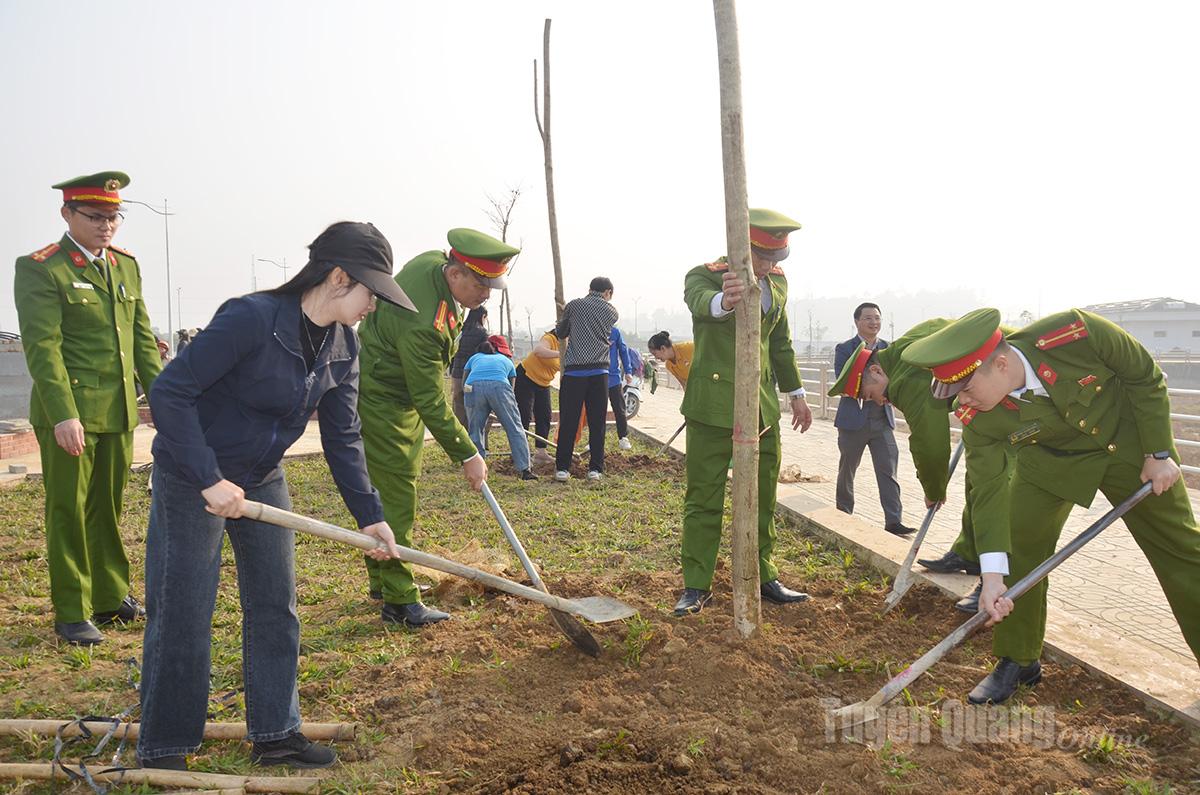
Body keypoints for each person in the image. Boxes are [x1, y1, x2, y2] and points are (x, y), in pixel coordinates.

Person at [137, 221, 408, 771]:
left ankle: (276, 733)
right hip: (194, 475)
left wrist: (370, 516)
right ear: (338, 277)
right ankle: (164, 746)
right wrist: (208, 477)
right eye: (370, 293)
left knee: (275, 605)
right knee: (185, 607)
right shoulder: (252, 318)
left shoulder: (343, 346)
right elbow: (170, 391)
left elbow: (344, 436)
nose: (372, 307)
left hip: (261, 477)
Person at [902, 308, 1200, 704]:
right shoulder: (980, 418)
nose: (962, 401)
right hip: (1051, 465)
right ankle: (1018, 659)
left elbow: (1143, 375)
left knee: (1180, 549)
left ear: (1002, 364)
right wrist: (992, 576)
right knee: (1020, 542)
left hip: (1132, 449)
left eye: (967, 389)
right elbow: (988, 492)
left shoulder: (1076, 334)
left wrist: (1159, 452)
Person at [13, 171, 162, 646]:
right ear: (67, 214)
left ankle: (109, 596)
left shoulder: (124, 266)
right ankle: (73, 610)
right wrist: (63, 413)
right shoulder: (43, 267)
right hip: (71, 415)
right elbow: (43, 347)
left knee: (107, 507)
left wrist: (163, 402)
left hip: (117, 412)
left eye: (113, 217)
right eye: (95, 216)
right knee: (68, 510)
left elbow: (141, 341)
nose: (106, 226)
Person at [357, 228, 518, 627]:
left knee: (382, 489)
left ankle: (383, 579)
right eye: (481, 285)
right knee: (395, 494)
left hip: (391, 387)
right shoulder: (425, 324)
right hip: (384, 399)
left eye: (491, 286)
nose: (486, 295)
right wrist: (469, 453)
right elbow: (430, 399)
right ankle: (399, 601)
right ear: (455, 274)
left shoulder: (432, 263)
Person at [674, 208, 814, 617]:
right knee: (704, 498)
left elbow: (781, 342)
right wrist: (724, 300)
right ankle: (696, 585)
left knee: (763, 495)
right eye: (762, 256)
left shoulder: (778, 284)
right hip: (711, 408)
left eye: (776, 259)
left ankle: (762, 572)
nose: (769, 266)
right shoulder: (706, 276)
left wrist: (796, 393)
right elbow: (700, 304)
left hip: (762, 410)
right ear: (740, 246)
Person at [827, 318, 988, 611]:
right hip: (984, 398)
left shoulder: (906, 378)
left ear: (876, 371)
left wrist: (933, 487)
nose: (877, 402)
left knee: (991, 484)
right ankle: (969, 553)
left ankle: (994, 579)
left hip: (1005, 392)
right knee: (979, 478)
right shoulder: (902, 352)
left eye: (872, 394)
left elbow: (929, 440)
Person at [833, 303, 913, 536]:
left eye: (877, 318)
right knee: (848, 469)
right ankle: (843, 513)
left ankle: (894, 520)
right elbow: (843, 381)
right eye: (868, 318)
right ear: (857, 321)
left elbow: (897, 379)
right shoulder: (845, 349)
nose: (873, 322)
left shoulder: (889, 349)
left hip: (882, 421)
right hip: (853, 421)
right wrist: (874, 391)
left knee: (888, 469)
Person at [553, 277, 619, 482]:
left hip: (574, 372)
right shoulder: (611, 312)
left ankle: (562, 468)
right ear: (607, 292)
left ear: (590, 289)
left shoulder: (573, 305)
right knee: (597, 422)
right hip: (600, 372)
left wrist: (564, 315)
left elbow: (561, 332)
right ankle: (595, 469)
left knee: (569, 420)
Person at [463, 340, 535, 480]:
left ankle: (478, 466)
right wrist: (504, 405)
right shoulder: (505, 360)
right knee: (514, 428)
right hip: (500, 388)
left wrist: (469, 398)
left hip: (473, 387)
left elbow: (464, 381)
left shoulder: (475, 357)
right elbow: (511, 387)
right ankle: (525, 469)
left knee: (475, 429)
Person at [515, 329, 561, 466]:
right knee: (524, 414)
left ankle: (541, 453)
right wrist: (561, 353)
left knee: (544, 415)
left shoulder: (571, 346)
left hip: (543, 382)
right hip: (526, 377)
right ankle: (520, 452)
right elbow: (539, 351)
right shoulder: (549, 338)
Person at [449, 307, 488, 427]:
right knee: (472, 405)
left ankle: (458, 432)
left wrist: (451, 370)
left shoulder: (460, 329)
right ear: (483, 316)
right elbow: (483, 354)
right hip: (473, 374)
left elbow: (453, 351)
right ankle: (471, 434)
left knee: (458, 404)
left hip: (457, 372)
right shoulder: (482, 333)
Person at [606, 326, 634, 451]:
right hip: (595, 377)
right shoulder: (591, 329)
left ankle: (623, 437)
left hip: (613, 378)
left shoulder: (615, 331)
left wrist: (628, 371)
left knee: (619, 408)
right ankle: (594, 439)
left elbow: (623, 351)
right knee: (596, 410)